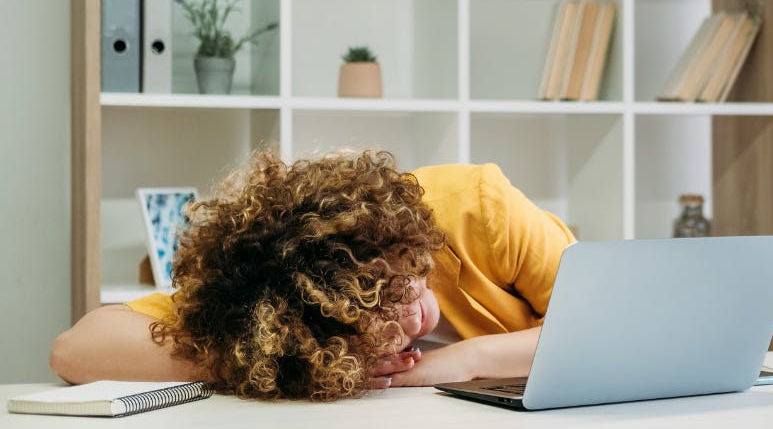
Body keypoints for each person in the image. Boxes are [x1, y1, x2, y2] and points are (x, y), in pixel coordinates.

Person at [50, 149, 576, 401]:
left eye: (384, 279)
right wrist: (273, 360)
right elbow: (75, 350)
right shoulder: (267, 299)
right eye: (358, 314)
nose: (399, 316)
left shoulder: (476, 208)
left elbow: (627, 322)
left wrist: (465, 359)